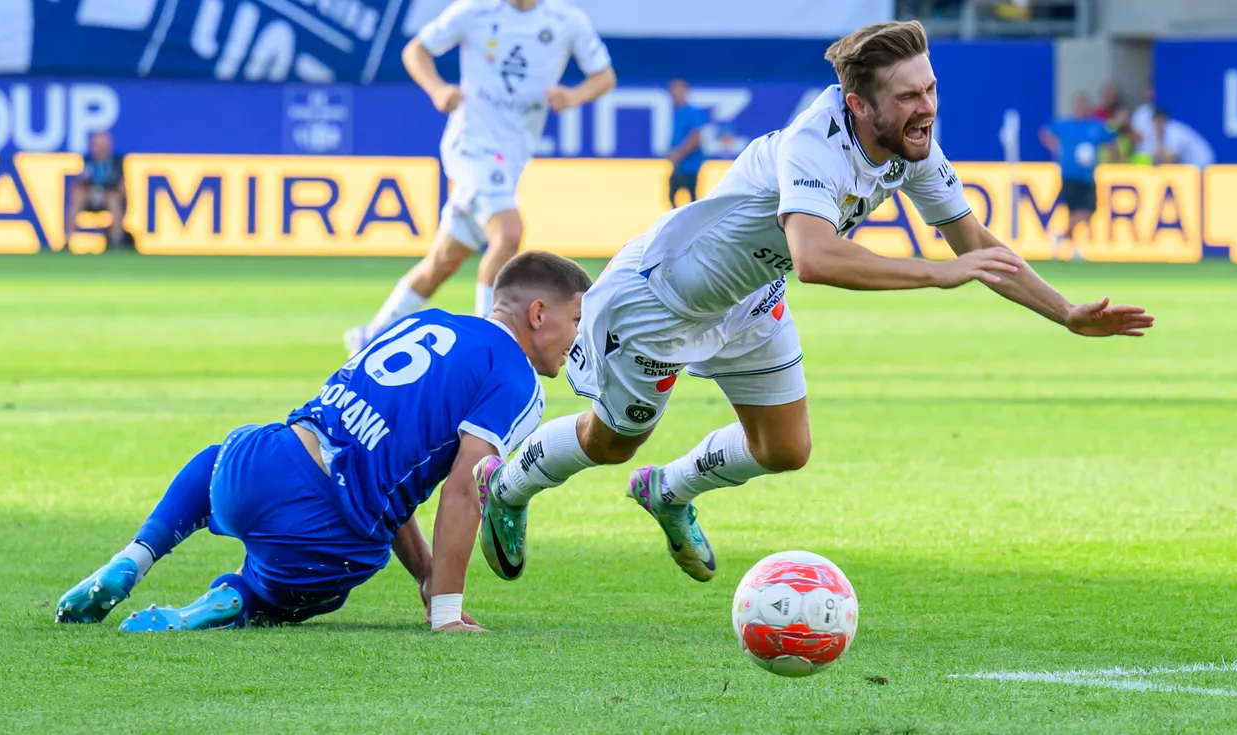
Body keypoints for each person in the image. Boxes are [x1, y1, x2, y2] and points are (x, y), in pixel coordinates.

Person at [471, 21, 1154, 585]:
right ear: (859, 104)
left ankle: (670, 490)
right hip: (660, 303)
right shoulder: (812, 143)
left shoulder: (912, 148)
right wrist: (938, 275)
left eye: (930, 88)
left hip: (748, 301)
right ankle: (506, 487)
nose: (926, 107)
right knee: (610, 441)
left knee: (786, 449)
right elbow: (815, 257)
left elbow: (973, 240)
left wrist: (1064, 311)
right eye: (909, 95)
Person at [56, 252, 592, 632]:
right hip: (319, 539)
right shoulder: (517, 381)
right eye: (576, 320)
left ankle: (135, 556)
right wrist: (447, 607)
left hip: (258, 466)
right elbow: (463, 491)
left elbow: (377, 454)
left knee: (224, 453)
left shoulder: (425, 320)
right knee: (312, 582)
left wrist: (427, 573)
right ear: (538, 314)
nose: (578, 339)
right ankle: (232, 600)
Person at [345, 0, 616, 355]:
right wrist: (438, 90)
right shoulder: (474, 10)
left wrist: (573, 95)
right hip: (470, 145)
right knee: (509, 232)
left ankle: (371, 335)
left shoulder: (566, 20)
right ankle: (486, 344)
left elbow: (604, 77)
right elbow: (416, 51)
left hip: (512, 154)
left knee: (443, 261)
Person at [1039, 93, 1117, 260]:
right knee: (1073, 212)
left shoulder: (1096, 126)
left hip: (1087, 177)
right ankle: (1074, 249)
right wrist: (1055, 147)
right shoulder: (1065, 125)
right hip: (1069, 175)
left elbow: (1111, 141)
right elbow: (1045, 132)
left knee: (1088, 211)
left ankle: (1061, 237)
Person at [65, 130, 127, 250]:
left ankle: (116, 240)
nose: (100, 148)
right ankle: (68, 240)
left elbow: (120, 184)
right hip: (90, 195)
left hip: (109, 195)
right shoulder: (88, 161)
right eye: (97, 144)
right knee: (78, 195)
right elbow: (80, 181)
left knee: (113, 198)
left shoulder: (116, 162)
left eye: (103, 144)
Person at [667, 79, 708, 208]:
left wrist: (679, 153)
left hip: (690, 165)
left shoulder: (692, 112)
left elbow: (696, 137)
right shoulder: (678, 112)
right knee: (673, 195)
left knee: (690, 198)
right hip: (680, 165)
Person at [1150, 108, 1215, 168]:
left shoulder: (1174, 131)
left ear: (1163, 119)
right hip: (1190, 166)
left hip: (1202, 163)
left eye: (1158, 122)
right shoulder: (1160, 133)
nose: (1156, 126)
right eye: (1155, 123)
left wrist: (1154, 156)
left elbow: (1171, 158)